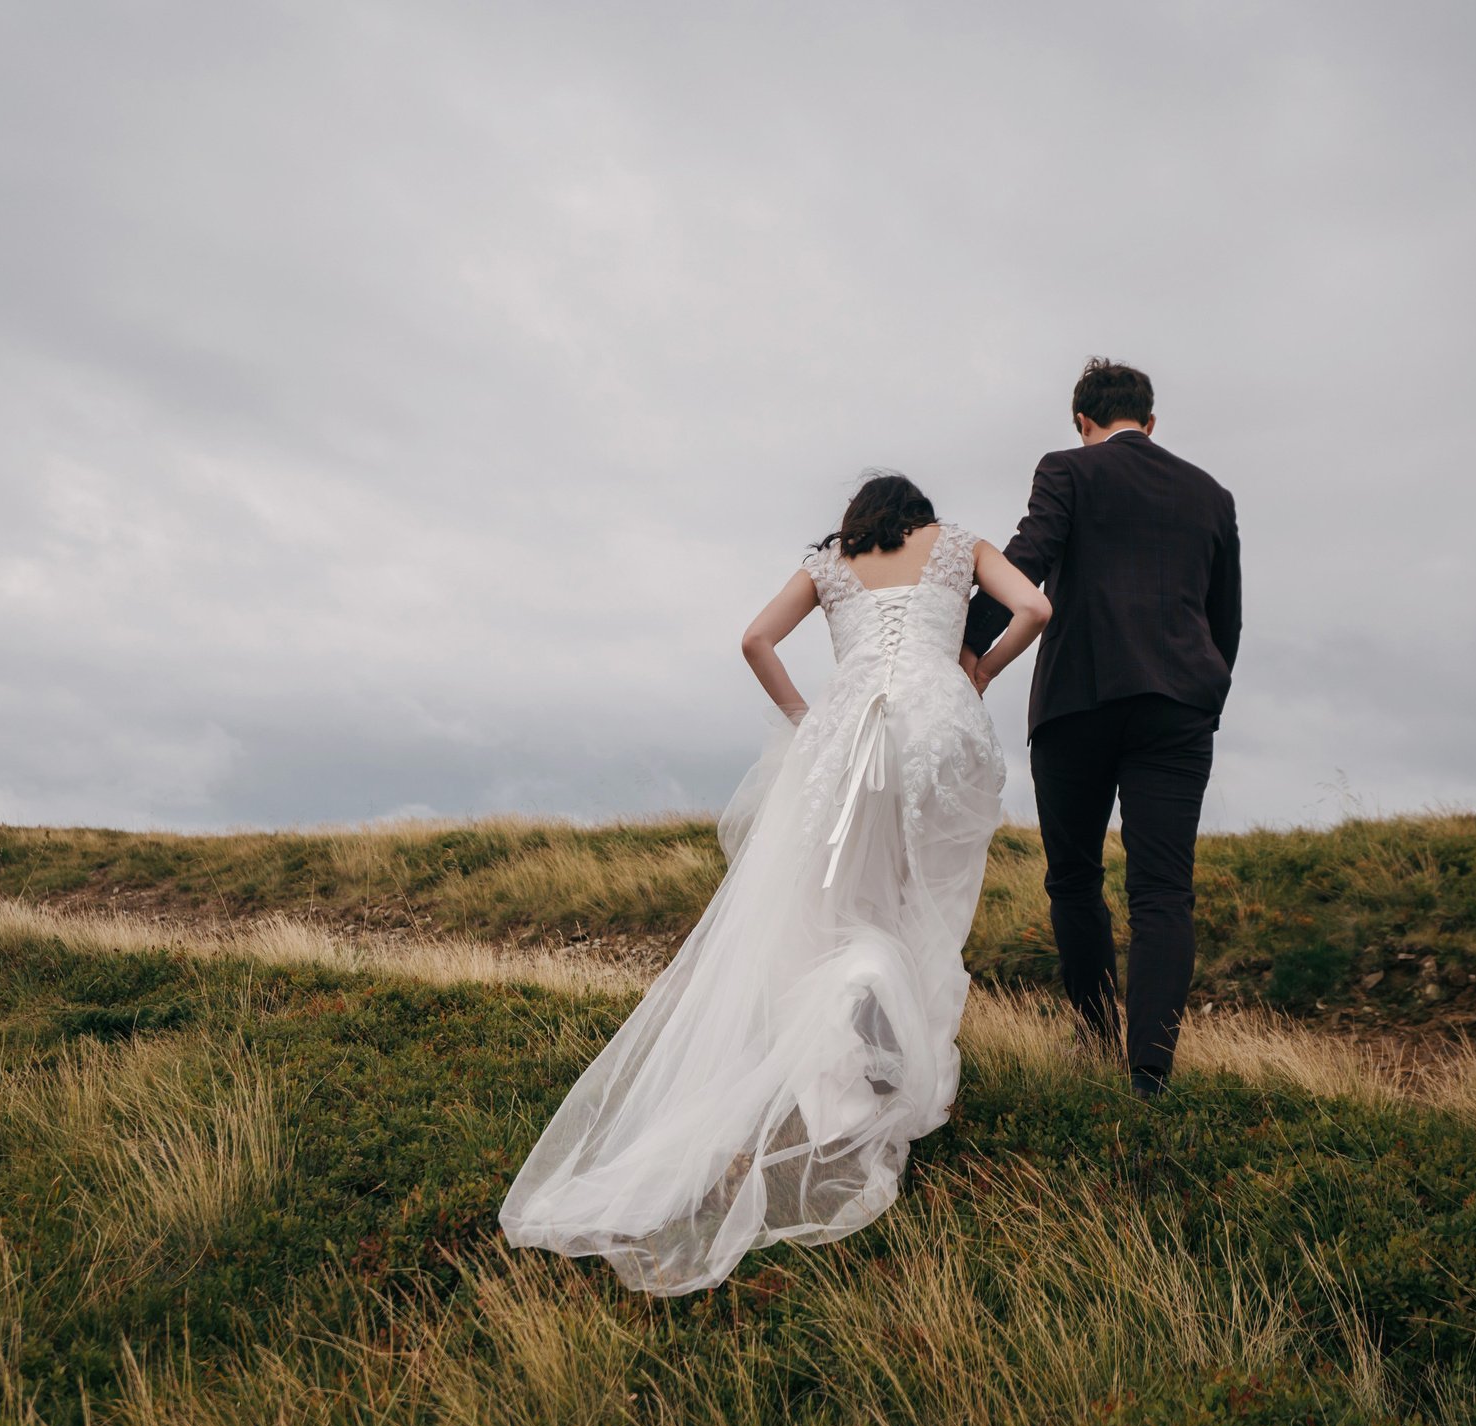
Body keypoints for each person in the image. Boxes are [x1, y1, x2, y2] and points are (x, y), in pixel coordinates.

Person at [500, 475, 1050, 1294]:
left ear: (858, 519)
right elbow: (1035, 608)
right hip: (940, 728)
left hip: (846, 732)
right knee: (927, 905)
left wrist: (803, 717)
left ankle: (853, 1048)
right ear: (921, 515)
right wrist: (982, 670)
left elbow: (756, 639)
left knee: (833, 905)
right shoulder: (961, 545)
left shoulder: (831, 563)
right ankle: (909, 1062)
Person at [963, 359, 1241, 1100]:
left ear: (1083, 423)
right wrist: (1205, 695)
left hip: (1077, 700)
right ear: (1149, 421)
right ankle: (1149, 1073)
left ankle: (1093, 1039)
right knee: (1164, 890)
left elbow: (1026, 560)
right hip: (1178, 707)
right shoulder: (1211, 494)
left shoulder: (1068, 469)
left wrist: (966, 648)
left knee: (1074, 878)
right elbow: (1226, 618)